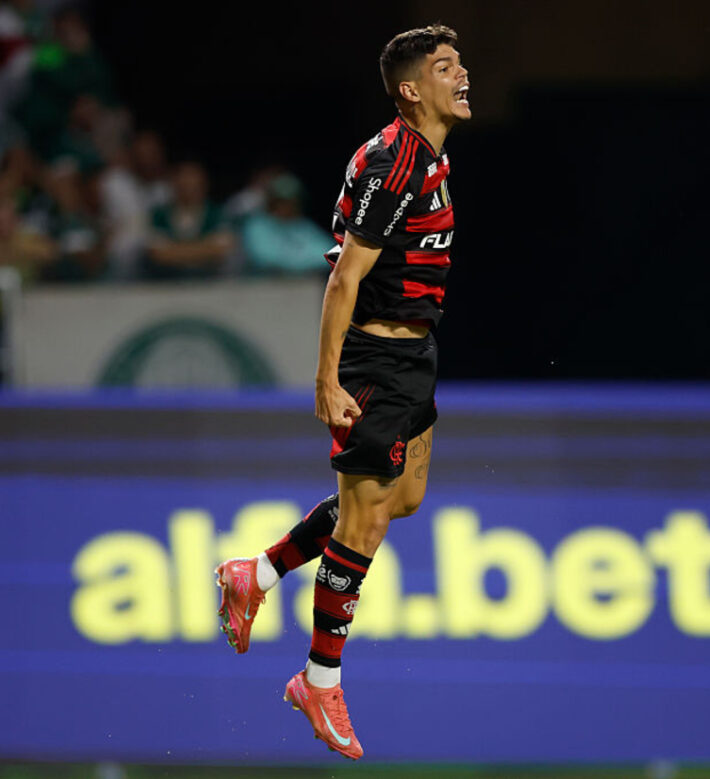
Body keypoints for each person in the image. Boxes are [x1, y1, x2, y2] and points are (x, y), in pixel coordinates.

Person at [213, 24, 470, 760]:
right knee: (365, 522)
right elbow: (344, 278)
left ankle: (253, 573)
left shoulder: (430, 158)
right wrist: (326, 379)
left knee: (404, 497)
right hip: (374, 362)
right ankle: (318, 679)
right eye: (446, 67)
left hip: (415, 353)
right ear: (411, 90)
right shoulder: (398, 164)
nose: (463, 75)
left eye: (461, 63)